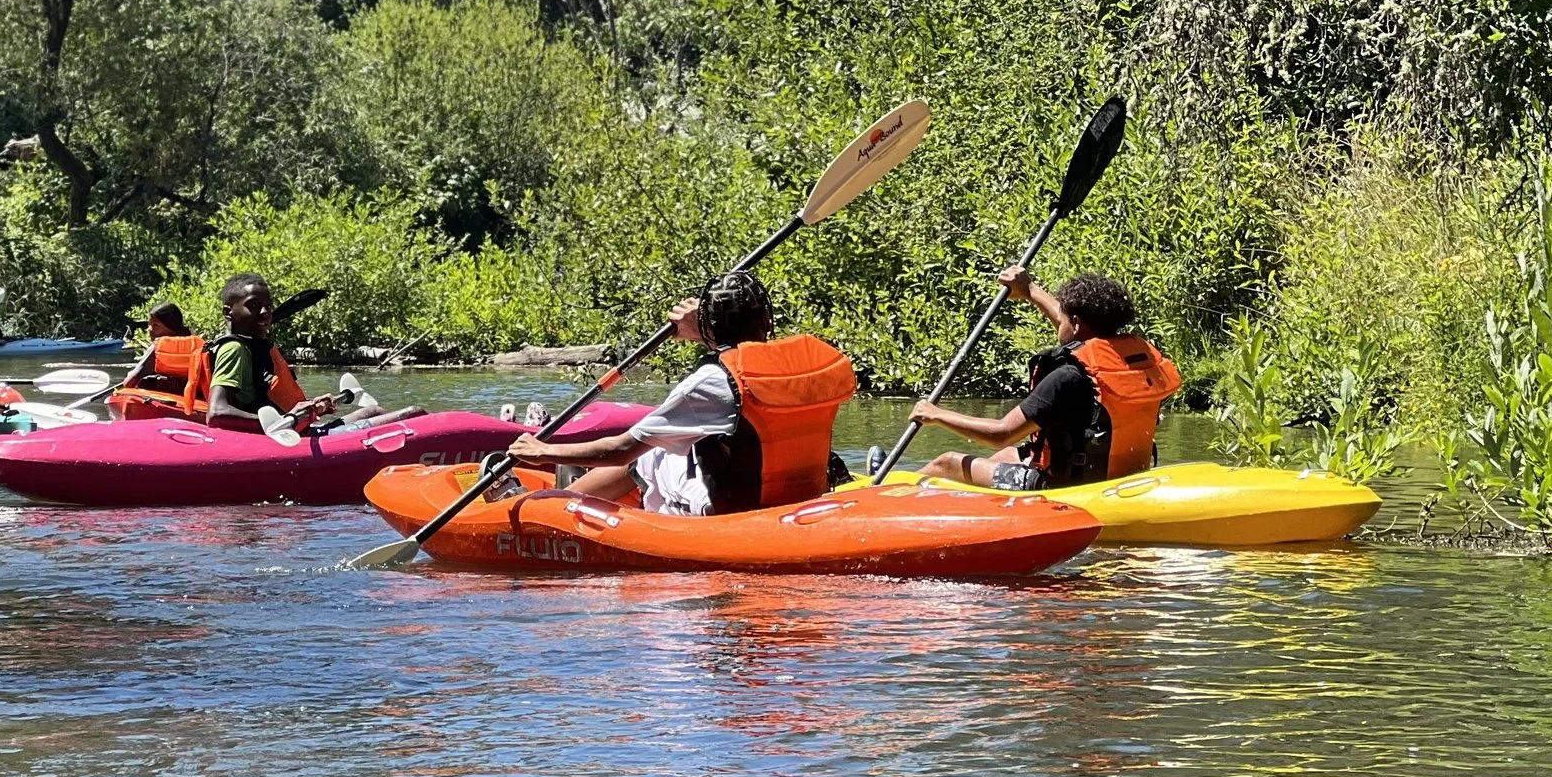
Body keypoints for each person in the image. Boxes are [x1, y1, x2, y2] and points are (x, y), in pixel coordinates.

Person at [505, 271, 858, 516]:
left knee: (648, 454)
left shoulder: (712, 382)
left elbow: (620, 450)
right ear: (766, 319)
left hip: (735, 513)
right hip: (801, 499)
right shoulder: (808, 365)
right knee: (669, 449)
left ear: (709, 325)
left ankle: (554, 505)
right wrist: (708, 331)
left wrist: (542, 450)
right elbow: (748, 360)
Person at [907, 269, 1182, 490]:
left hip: (1064, 487)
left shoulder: (1067, 378)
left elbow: (1001, 434)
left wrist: (935, 415)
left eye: (1062, 317)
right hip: (1121, 475)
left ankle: (884, 493)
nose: (1057, 321)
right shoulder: (1138, 362)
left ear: (1075, 322)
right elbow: (1076, 332)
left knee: (948, 463)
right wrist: (1030, 291)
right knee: (1007, 457)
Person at [191, 274, 337, 433]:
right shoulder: (234, 349)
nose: (265, 312)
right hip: (278, 436)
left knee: (369, 411)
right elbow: (216, 414)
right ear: (228, 313)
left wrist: (312, 408)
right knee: (369, 422)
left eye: (268, 306)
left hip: (290, 430)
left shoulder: (251, 346)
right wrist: (286, 420)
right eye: (253, 305)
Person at [119, 303, 207, 413]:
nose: (150, 329)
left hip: (165, 406)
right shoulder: (197, 346)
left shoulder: (157, 348)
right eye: (149, 325)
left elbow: (128, 383)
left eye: (155, 325)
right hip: (195, 405)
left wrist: (129, 374)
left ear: (172, 328)